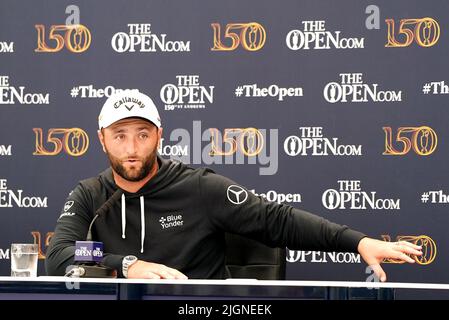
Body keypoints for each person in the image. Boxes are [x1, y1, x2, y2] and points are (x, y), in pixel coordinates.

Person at [45, 90, 422, 281]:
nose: (131, 149)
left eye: (142, 134)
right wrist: (127, 265)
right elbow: (61, 254)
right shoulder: (90, 196)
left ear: (159, 135)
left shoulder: (197, 188)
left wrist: (357, 241)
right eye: (120, 135)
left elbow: (278, 220)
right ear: (101, 139)